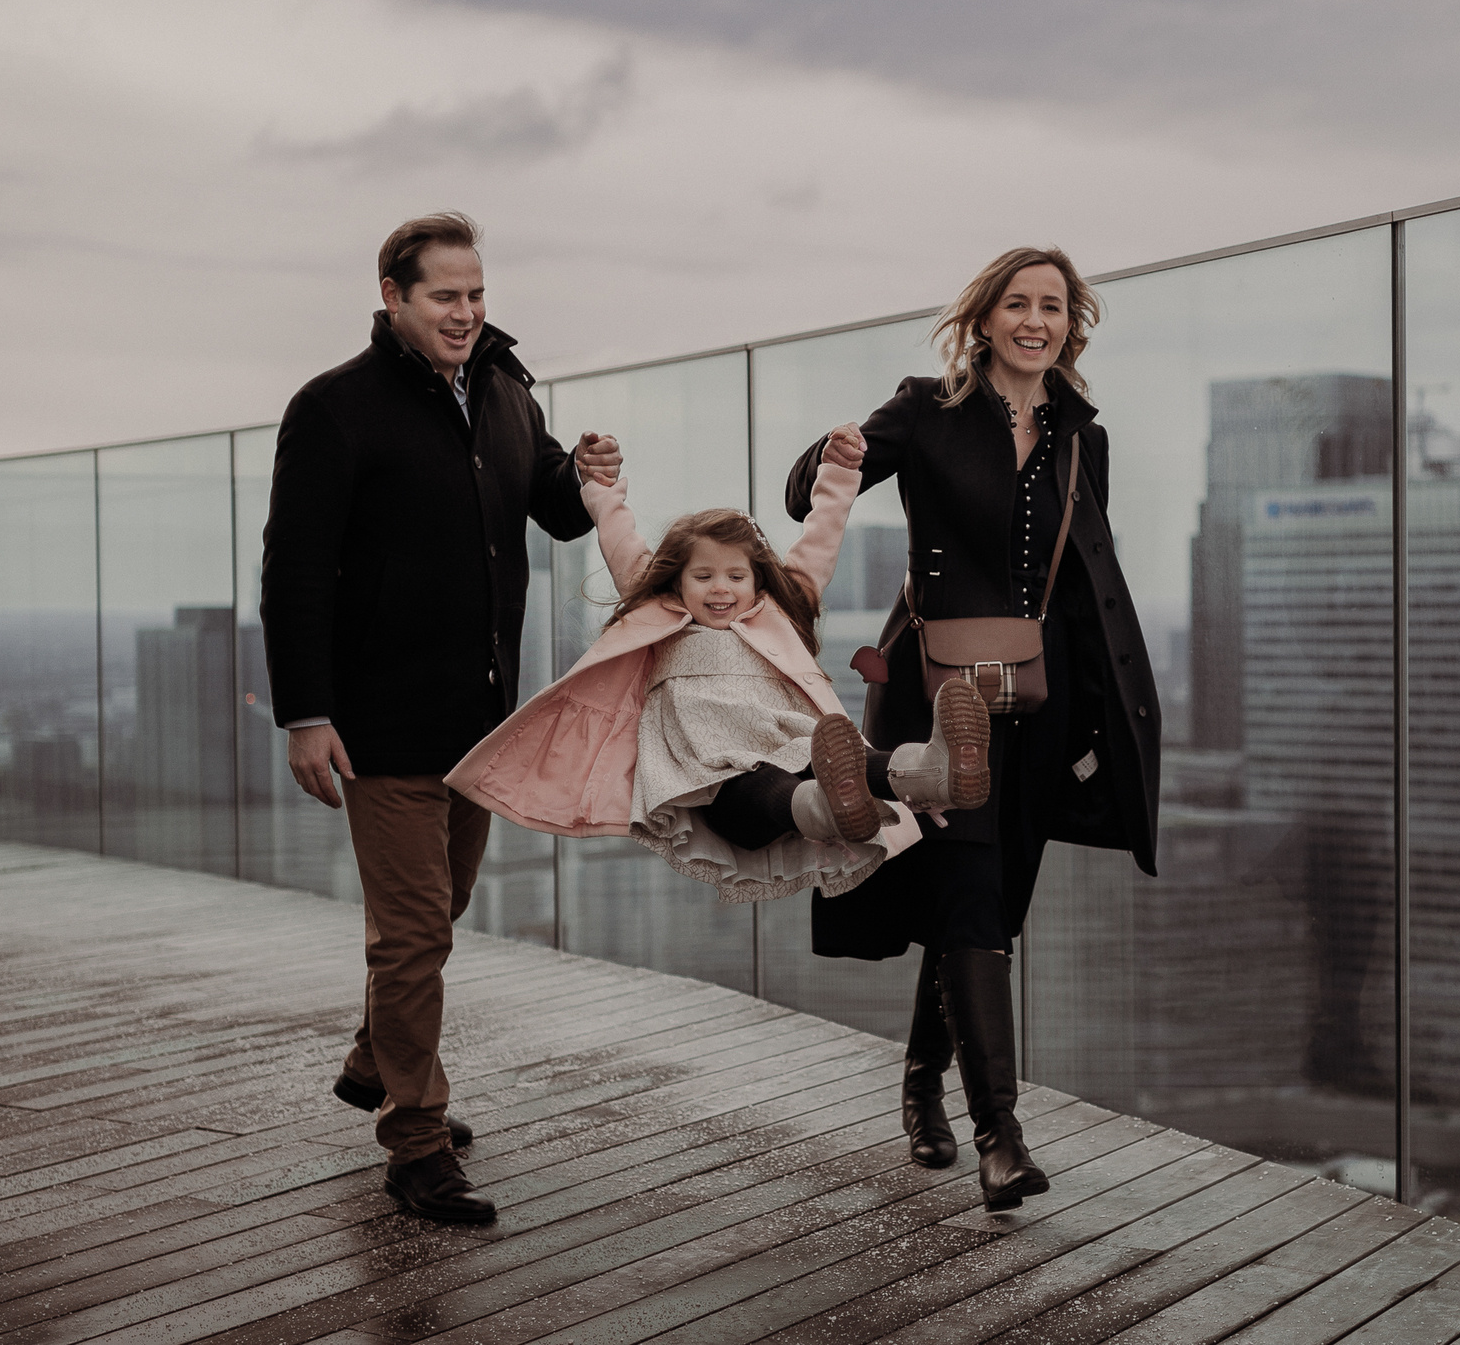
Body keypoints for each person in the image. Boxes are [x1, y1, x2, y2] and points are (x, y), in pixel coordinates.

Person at [780, 246, 1163, 1209]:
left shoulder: (1083, 434)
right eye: (1019, 304)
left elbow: (1081, 588)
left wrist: (1092, 726)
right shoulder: (925, 408)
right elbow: (810, 496)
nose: (1037, 321)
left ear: (1071, 325)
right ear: (985, 317)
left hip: (1037, 708)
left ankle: (920, 1082)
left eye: (1055, 307)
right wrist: (827, 455)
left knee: (989, 912)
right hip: (936, 701)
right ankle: (1002, 1134)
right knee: (968, 900)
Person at [261, 212, 619, 1227]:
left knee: (442, 910)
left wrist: (584, 468)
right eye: (444, 297)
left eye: (475, 295)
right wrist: (306, 714)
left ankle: (376, 1058)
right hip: (379, 721)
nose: (465, 313)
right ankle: (416, 1146)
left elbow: (547, 506)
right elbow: (294, 575)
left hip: (483, 722)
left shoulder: (506, 392)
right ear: (394, 297)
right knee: (412, 937)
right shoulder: (334, 410)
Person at [444, 445, 989, 898]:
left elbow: (820, 540)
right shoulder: (658, 614)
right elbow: (620, 537)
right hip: (710, 768)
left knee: (850, 759)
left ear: (758, 583)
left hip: (788, 738)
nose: (720, 588)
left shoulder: (779, 611)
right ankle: (831, 807)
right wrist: (600, 489)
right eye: (703, 576)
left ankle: (933, 769)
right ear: (677, 582)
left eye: (735, 576)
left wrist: (840, 474)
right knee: (753, 797)